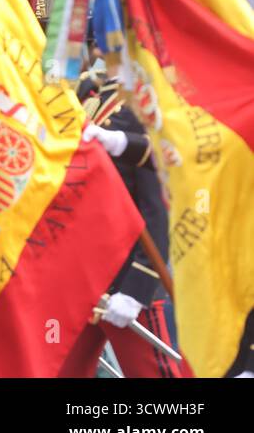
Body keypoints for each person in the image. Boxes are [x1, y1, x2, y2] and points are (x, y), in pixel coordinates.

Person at [80, 66, 191, 377]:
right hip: (80, 274)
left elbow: (158, 204)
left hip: (125, 277)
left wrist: (137, 287)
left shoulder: (145, 101)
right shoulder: (90, 93)